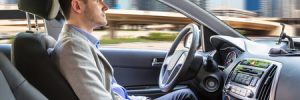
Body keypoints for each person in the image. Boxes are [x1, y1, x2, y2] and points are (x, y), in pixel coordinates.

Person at [55, 0, 198, 100]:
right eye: (98, 1)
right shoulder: (73, 48)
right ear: (77, 6)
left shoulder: (80, 42)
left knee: (184, 94)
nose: (105, 7)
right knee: (186, 96)